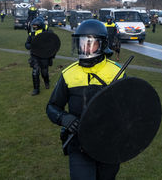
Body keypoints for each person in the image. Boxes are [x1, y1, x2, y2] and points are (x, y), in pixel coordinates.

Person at [46, 19, 123, 180]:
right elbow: (52, 107)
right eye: (82, 43)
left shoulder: (117, 73)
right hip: (79, 145)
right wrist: (64, 118)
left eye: (91, 43)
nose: (85, 48)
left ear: (101, 45)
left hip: (109, 145)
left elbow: (127, 110)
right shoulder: (69, 74)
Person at [25, 17, 53, 96]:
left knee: (44, 73)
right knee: (35, 72)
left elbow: (52, 44)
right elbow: (26, 44)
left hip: (44, 56)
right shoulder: (32, 34)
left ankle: (46, 82)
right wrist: (30, 45)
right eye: (33, 26)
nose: (33, 27)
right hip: (35, 56)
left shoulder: (46, 34)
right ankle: (36, 89)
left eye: (35, 26)